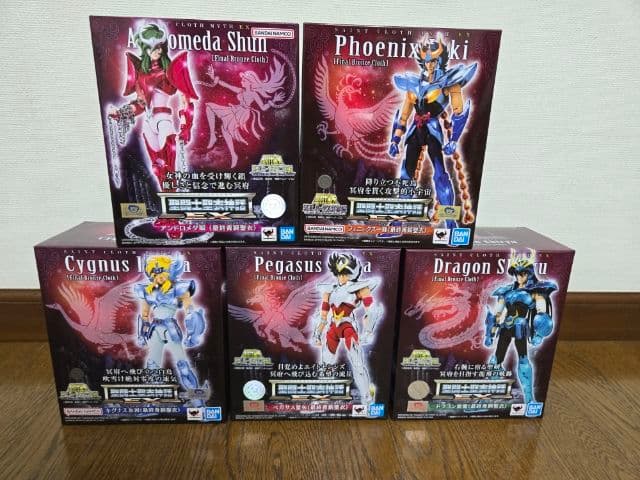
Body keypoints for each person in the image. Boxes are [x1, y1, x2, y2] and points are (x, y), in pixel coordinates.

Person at [389, 36, 477, 228]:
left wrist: (453, 139)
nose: (430, 65)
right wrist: (395, 140)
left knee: (440, 175)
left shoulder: (449, 82)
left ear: (441, 60)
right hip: (415, 130)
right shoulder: (412, 84)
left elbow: (458, 112)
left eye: (434, 60)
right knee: (405, 175)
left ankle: (450, 222)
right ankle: (398, 222)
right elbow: (403, 116)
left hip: (433, 130)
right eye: (427, 61)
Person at [109, 23, 198, 190]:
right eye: (152, 47)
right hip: (148, 124)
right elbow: (141, 104)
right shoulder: (141, 75)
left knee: (169, 167)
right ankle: (167, 202)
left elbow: (185, 100)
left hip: (164, 120)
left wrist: (186, 126)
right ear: (145, 49)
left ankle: (173, 204)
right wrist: (122, 113)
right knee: (157, 168)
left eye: (159, 46)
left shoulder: (170, 71)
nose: (157, 50)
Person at [484, 250, 557, 403]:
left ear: (529, 274)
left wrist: (539, 334)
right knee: (496, 361)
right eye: (517, 273)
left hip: (520, 328)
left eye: (523, 273)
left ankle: (529, 398)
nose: (519, 277)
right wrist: (490, 333)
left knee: (523, 360)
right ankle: (489, 396)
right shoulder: (506, 291)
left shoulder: (535, 291)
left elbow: (542, 313)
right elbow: (497, 314)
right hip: (505, 327)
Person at [135, 255, 208, 405]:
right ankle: (154, 402)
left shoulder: (179, 288)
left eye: (161, 272)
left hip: (170, 329)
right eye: (154, 273)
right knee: (152, 366)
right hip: (154, 329)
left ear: (170, 271)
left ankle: (197, 400)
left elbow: (190, 311)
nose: (158, 276)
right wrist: (141, 334)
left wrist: (193, 334)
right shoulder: (147, 291)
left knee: (183, 366)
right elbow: (144, 315)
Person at [312, 253, 381, 404]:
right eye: (339, 274)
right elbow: (323, 316)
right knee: (326, 364)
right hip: (333, 328)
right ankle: (324, 393)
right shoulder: (329, 290)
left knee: (358, 364)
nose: (342, 278)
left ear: (353, 273)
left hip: (348, 327)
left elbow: (372, 311)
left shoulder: (360, 288)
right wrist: (317, 333)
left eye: (346, 274)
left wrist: (368, 331)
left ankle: (366, 397)